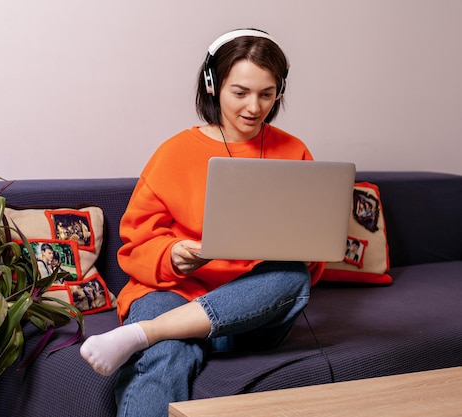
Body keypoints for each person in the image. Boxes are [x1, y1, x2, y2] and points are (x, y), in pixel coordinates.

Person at [80, 28, 326, 417]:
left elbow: (312, 258)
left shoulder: (293, 151)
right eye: (240, 92)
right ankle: (158, 335)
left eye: (267, 93)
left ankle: (148, 331)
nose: (254, 107)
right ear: (213, 85)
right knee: (164, 356)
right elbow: (134, 247)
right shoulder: (176, 152)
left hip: (249, 312)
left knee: (293, 277)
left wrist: (303, 247)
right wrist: (173, 253)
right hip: (173, 292)